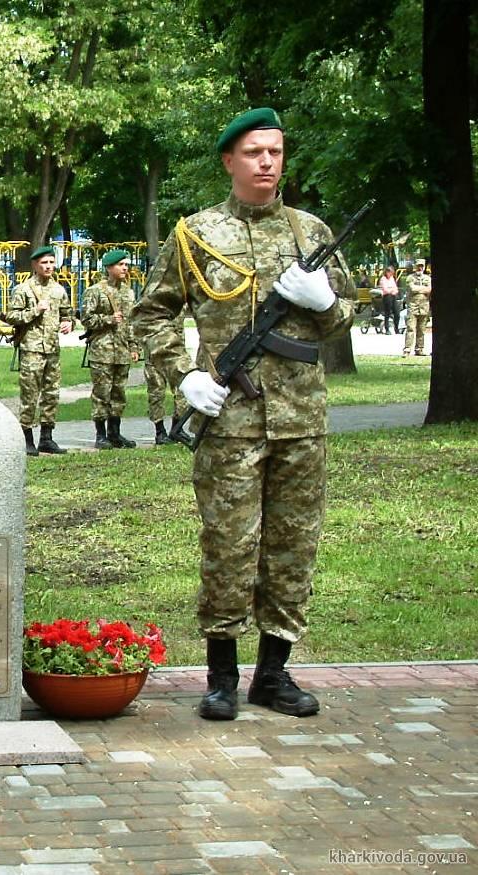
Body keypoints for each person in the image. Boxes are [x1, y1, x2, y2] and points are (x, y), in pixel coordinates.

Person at [130, 107, 354, 722]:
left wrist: (327, 300)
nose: (267, 162)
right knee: (228, 545)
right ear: (229, 160)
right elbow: (150, 314)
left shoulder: (311, 233)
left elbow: (343, 319)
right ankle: (222, 677)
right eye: (254, 152)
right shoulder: (195, 234)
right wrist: (186, 376)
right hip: (229, 420)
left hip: (302, 419)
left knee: (292, 546)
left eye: (276, 152)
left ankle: (274, 674)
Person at [2, 245, 73, 455]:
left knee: (51, 394)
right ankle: (26, 438)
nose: (49, 266)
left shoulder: (59, 290)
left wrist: (68, 322)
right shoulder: (23, 289)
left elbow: (67, 313)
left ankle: (47, 437)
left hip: (52, 349)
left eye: (52, 262)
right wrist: (35, 310)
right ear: (35, 265)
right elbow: (11, 316)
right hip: (32, 348)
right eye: (44, 263)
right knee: (30, 395)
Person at [81, 249, 138, 449]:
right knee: (101, 394)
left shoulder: (128, 292)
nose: (125, 268)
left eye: (126, 264)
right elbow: (86, 318)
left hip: (121, 350)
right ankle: (100, 435)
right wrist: (108, 320)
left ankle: (115, 433)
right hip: (102, 350)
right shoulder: (95, 291)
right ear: (109, 267)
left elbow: (131, 322)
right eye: (121, 265)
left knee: (119, 394)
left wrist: (133, 346)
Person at [140, 316, 189, 445]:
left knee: (182, 392)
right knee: (156, 395)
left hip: (176, 357)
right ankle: (160, 431)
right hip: (154, 357)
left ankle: (177, 428)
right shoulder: (153, 304)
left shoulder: (180, 303)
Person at [402, 259, 431, 356]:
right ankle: (407, 349)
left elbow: (429, 290)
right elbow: (412, 289)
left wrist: (421, 290)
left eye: (422, 266)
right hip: (413, 306)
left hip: (424, 306)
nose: (420, 268)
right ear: (415, 266)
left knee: (421, 329)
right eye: (418, 266)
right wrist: (423, 289)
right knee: (410, 328)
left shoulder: (427, 278)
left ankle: (419, 349)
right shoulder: (410, 278)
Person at [377, 265, 401, 335]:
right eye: (390, 273)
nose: (391, 274)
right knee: (387, 313)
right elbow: (385, 289)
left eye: (392, 273)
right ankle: (387, 329)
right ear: (387, 272)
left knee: (397, 313)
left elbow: (395, 288)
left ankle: (396, 328)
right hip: (387, 297)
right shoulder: (383, 279)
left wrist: (393, 290)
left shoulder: (392, 278)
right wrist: (391, 290)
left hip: (393, 296)